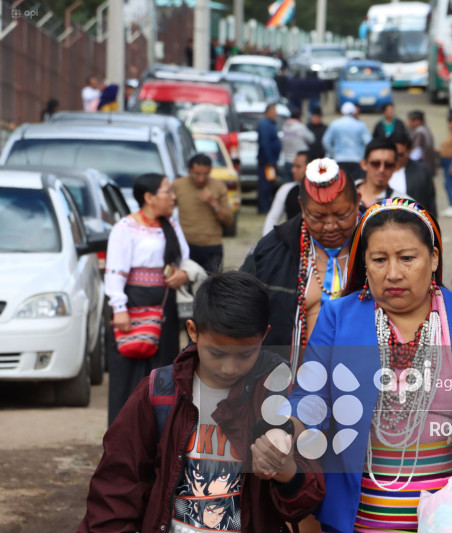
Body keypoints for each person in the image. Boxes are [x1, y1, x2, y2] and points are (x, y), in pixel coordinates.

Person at [253, 198, 452, 532]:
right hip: (361, 521)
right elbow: (312, 397)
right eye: (379, 260)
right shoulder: (338, 318)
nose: (393, 273)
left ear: (434, 258)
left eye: (407, 258)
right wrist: (284, 433)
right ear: (364, 264)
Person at [77, 270, 326, 532]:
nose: (229, 368)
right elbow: (116, 488)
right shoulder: (159, 392)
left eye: (244, 355)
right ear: (193, 331)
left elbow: (309, 498)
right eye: (216, 353)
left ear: (264, 336)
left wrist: (286, 472)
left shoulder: (278, 397)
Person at [241, 158, 361, 366]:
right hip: (289, 380)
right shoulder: (271, 251)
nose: (330, 226)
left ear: (358, 201)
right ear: (301, 207)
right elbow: (235, 314)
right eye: (317, 217)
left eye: (342, 215)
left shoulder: (381, 244)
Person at [104, 173, 190, 425]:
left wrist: (183, 274)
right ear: (149, 197)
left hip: (164, 308)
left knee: (162, 372)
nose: (173, 197)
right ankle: (124, 433)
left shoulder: (171, 225)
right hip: (133, 306)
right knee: (128, 373)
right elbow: (115, 270)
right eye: (167, 191)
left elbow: (183, 260)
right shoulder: (126, 227)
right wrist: (119, 307)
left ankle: (159, 435)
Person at [173, 153, 234, 272]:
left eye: (206, 174)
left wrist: (213, 203)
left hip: (212, 247)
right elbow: (166, 209)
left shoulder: (218, 186)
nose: (201, 179)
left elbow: (228, 221)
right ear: (190, 170)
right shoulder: (178, 185)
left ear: (210, 170)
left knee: (212, 282)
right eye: (197, 174)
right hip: (186, 246)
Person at [392, 132, 438, 218]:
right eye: (394, 154)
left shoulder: (422, 171)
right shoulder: (382, 170)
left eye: (400, 155)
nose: (396, 158)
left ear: (409, 151)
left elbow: (430, 201)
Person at [322, 102, 371, 182]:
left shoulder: (335, 124)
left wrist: (333, 153)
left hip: (339, 160)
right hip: (356, 160)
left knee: (341, 184)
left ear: (342, 112)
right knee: (356, 184)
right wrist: (363, 155)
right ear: (354, 112)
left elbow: (325, 141)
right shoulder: (360, 125)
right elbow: (368, 142)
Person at [262, 151, 308, 236]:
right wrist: (266, 240)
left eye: (298, 167)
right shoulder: (286, 189)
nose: (293, 170)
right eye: (293, 166)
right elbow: (273, 218)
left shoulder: (322, 192)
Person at [356, 138, 409, 208]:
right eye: (375, 163)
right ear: (364, 164)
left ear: (395, 167)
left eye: (388, 164)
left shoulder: (404, 205)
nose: (381, 169)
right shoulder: (345, 192)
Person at [257, 103, 282, 214]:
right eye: (274, 111)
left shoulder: (271, 124)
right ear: (267, 112)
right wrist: (269, 160)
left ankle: (267, 205)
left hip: (271, 160)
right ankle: (263, 207)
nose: (276, 113)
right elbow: (265, 144)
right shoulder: (265, 125)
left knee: (269, 183)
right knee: (265, 185)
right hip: (267, 162)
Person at [281, 107, 315, 180]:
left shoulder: (285, 127)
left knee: (288, 184)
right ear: (299, 117)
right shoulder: (300, 127)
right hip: (299, 162)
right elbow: (311, 139)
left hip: (287, 160)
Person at [407, 109, 437, 176]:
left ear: (419, 121)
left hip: (422, 168)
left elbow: (415, 154)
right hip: (427, 167)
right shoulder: (425, 129)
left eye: (413, 120)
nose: (410, 123)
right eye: (409, 120)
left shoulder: (420, 132)